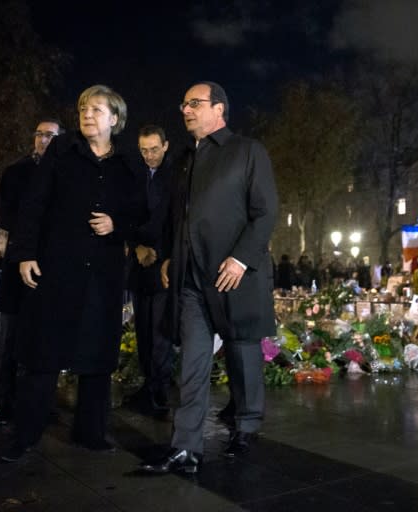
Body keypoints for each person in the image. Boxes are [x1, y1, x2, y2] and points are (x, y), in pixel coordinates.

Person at [0, 85, 146, 462]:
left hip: (103, 274)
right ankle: (24, 438)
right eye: (83, 108)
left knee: (98, 355)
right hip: (57, 268)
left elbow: (141, 215)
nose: (88, 114)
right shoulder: (62, 153)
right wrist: (25, 253)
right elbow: (34, 203)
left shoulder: (127, 165)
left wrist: (117, 224)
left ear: (115, 119)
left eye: (97, 109)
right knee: (43, 354)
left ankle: (90, 432)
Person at [140, 81, 277, 474]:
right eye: (183, 103)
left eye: (194, 103)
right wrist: (169, 258)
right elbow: (176, 218)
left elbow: (265, 212)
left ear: (219, 109)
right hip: (190, 280)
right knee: (193, 363)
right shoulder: (186, 159)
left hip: (233, 274)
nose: (185, 110)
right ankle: (185, 448)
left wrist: (240, 259)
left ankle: (246, 428)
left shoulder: (248, 151)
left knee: (242, 353)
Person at [0, 118, 63, 426]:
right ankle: (5, 401)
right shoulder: (15, 173)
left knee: (46, 340)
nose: (44, 139)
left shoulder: (65, 174)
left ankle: (41, 402)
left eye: (51, 135)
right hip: (18, 263)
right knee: (12, 339)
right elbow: (3, 215)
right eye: (40, 134)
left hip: (53, 267)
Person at [125, 124, 175, 415]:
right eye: (144, 150)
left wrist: (162, 253)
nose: (149, 155)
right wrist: (136, 247)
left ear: (165, 146)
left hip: (164, 265)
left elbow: (176, 220)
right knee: (142, 330)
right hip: (139, 264)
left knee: (160, 333)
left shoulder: (175, 177)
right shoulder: (135, 175)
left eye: (154, 149)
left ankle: (159, 390)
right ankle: (148, 386)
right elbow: (126, 214)